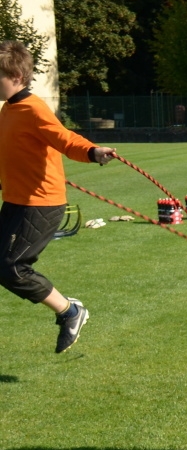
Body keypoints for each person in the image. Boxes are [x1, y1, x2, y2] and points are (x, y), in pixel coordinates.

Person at [0, 40, 116, 353]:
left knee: (12, 268)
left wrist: (93, 151)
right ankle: (69, 309)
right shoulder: (8, 110)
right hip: (15, 200)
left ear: (18, 77)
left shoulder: (34, 109)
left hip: (40, 204)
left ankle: (70, 311)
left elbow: (65, 139)